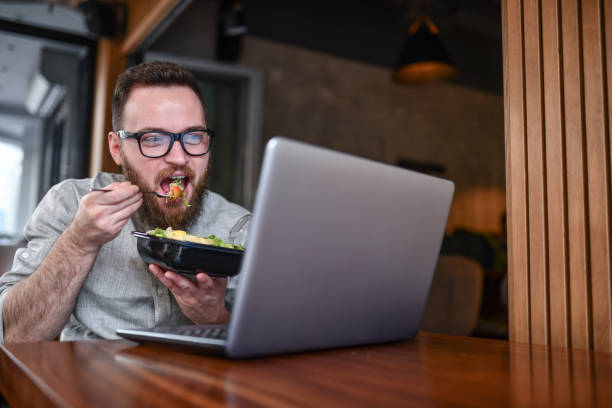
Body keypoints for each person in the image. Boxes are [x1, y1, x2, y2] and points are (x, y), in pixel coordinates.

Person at [0, 61, 250, 343]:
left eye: (193, 136)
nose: (179, 158)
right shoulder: (70, 203)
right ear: (117, 149)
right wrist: (78, 242)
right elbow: (17, 335)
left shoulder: (240, 228)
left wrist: (215, 317)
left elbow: (268, 341)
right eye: (154, 139)